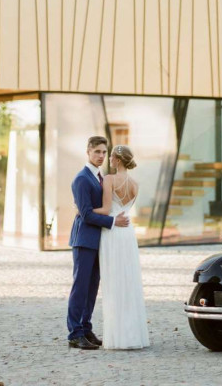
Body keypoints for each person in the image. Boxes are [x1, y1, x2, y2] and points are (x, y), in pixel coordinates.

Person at [66, 136, 129, 350]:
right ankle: (75, 333)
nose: (101, 156)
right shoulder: (82, 179)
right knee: (80, 287)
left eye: (104, 152)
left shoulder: (100, 177)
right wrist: (113, 221)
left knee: (92, 287)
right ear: (88, 152)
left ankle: (86, 328)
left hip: (98, 240)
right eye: (97, 152)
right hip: (84, 240)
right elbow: (85, 215)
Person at [93, 144, 150, 349]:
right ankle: (132, 335)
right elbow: (124, 209)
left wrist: (84, 209)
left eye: (110, 157)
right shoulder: (135, 184)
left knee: (114, 282)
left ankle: (118, 336)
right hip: (128, 234)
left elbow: (107, 209)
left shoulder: (109, 179)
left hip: (113, 232)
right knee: (128, 280)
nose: (108, 159)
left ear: (117, 160)